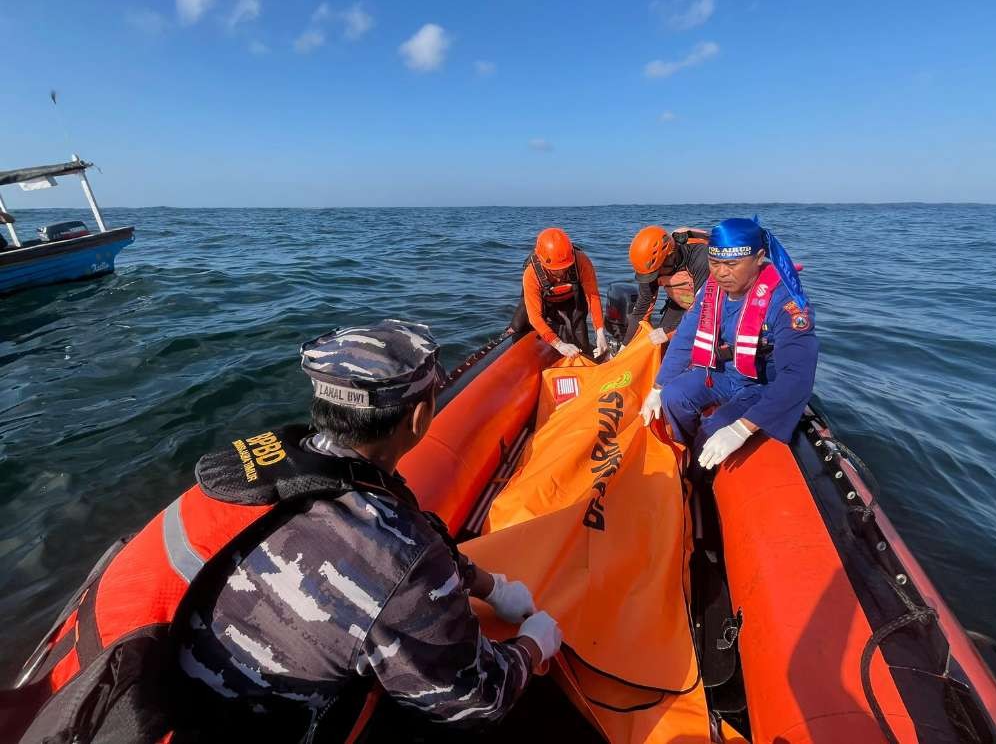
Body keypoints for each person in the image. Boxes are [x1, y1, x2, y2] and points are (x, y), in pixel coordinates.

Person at [7, 320, 562, 744]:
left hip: (106, 686)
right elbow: (472, 699)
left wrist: (488, 586)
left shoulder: (261, 470)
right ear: (419, 420)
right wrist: (536, 642)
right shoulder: (399, 559)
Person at [640, 219, 819, 470]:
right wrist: (658, 388)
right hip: (723, 372)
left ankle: (702, 474)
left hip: (762, 383)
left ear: (758, 258)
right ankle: (685, 452)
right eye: (714, 263)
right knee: (673, 397)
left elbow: (797, 375)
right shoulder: (711, 291)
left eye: (731, 264)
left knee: (715, 428)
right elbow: (685, 336)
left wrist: (742, 428)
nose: (721, 272)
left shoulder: (787, 304)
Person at [509, 227, 609, 359]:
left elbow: (593, 298)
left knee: (582, 344)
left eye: (565, 268)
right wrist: (559, 345)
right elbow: (535, 317)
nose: (561, 274)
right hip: (544, 301)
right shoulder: (531, 273)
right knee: (518, 325)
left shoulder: (582, 261)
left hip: (572, 300)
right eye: (555, 270)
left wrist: (600, 332)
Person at [625, 225, 710, 342]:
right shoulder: (650, 266)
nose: (654, 278)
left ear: (670, 257)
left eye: (656, 273)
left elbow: (702, 307)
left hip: (708, 306)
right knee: (659, 345)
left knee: (683, 340)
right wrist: (624, 347)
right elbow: (641, 311)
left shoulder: (700, 258)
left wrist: (668, 332)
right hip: (680, 303)